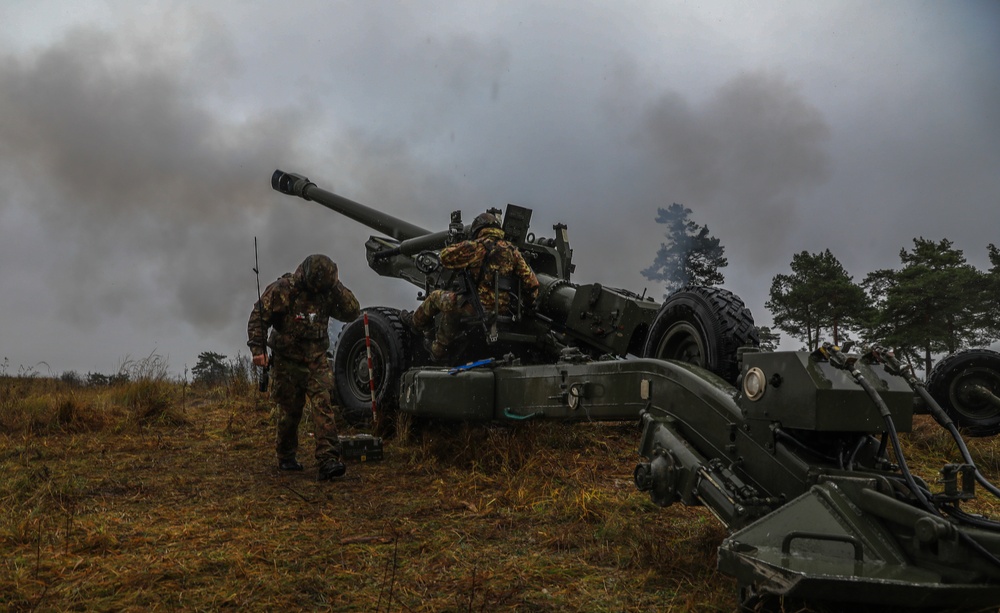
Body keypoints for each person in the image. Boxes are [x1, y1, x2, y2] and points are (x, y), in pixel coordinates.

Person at [247, 254, 361, 481]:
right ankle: (286, 456)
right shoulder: (283, 289)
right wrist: (258, 350)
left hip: (316, 360)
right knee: (290, 412)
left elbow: (352, 311)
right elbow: (259, 316)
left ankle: (328, 460)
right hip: (287, 361)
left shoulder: (328, 291)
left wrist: (336, 287)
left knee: (323, 405)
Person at [402, 212, 539, 360]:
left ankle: (418, 327)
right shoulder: (513, 251)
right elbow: (532, 283)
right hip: (503, 310)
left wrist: (464, 243)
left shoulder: (477, 247)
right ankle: (437, 344)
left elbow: (445, 257)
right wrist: (529, 305)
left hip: (476, 309)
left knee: (439, 298)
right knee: (454, 305)